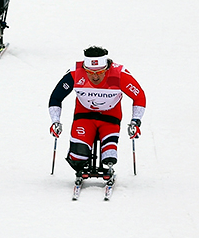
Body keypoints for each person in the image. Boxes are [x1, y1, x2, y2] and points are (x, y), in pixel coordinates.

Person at [47, 46, 146, 175]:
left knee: (109, 156)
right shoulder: (75, 73)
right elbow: (56, 97)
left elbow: (139, 97)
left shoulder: (118, 74)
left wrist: (135, 122)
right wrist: (55, 121)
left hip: (110, 115)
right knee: (77, 158)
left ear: (107, 68)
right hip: (84, 114)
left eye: (99, 72)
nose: (95, 77)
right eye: (89, 72)